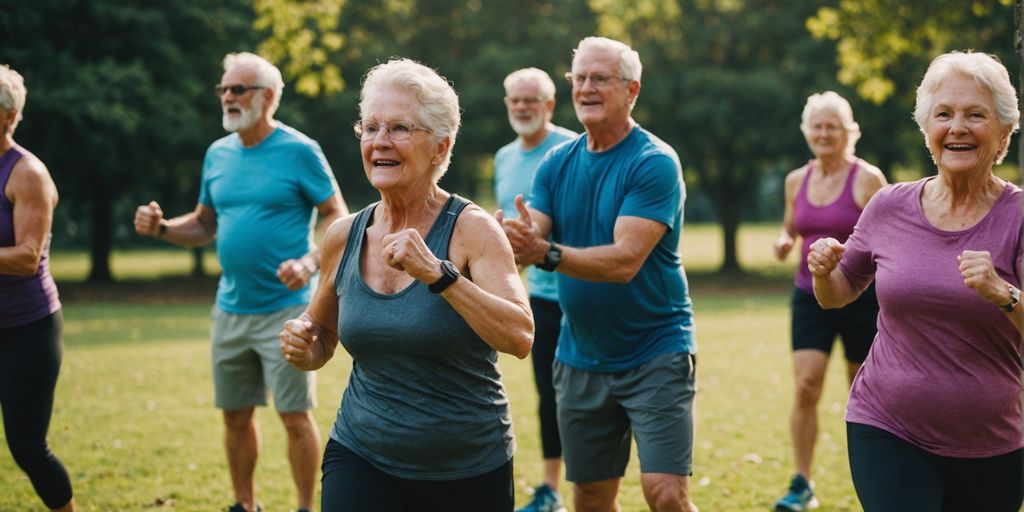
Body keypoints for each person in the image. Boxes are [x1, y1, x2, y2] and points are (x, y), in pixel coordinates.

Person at [278, 58, 534, 512]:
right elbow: (323, 334)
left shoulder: (471, 230)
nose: (379, 141)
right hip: (361, 453)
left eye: (399, 128)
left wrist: (440, 275)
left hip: (468, 466)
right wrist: (305, 342)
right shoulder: (344, 234)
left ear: (440, 147)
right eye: (370, 127)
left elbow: (519, 336)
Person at [808, 51, 1023, 511]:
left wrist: (1004, 294)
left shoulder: (1019, 216)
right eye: (943, 114)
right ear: (928, 129)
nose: (958, 127)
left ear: (1004, 130)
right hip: (886, 425)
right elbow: (839, 293)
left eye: (976, 115)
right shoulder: (889, 206)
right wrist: (824, 273)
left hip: (993, 442)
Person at [133, 52, 347, 512]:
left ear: (268, 97)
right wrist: (164, 228)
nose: (227, 97)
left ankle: (307, 508)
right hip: (229, 307)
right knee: (235, 416)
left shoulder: (300, 150)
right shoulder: (218, 153)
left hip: (287, 308)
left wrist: (310, 263)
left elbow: (338, 215)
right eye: (223, 89)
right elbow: (205, 223)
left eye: (237, 89)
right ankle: (244, 505)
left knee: (294, 417)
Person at [499, 37, 698, 512]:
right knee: (589, 496)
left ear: (632, 90)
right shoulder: (556, 162)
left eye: (599, 79)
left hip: (656, 350)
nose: (585, 88)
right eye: (579, 78)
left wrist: (542, 252)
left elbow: (624, 261)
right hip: (580, 354)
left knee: (665, 493)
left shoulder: (653, 162)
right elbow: (530, 240)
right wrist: (500, 239)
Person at [771, 91, 886, 511]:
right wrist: (784, 242)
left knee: (863, 391)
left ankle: (874, 478)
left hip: (860, 296)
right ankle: (802, 482)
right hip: (809, 294)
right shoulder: (795, 181)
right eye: (816, 126)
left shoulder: (868, 179)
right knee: (805, 386)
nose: (823, 133)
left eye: (831, 126)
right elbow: (791, 227)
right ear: (808, 132)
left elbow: (892, 234)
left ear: (847, 132)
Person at [494, 67, 576, 512]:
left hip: (583, 292)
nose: (522, 107)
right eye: (515, 100)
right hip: (540, 296)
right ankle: (551, 488)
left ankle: (590, 481)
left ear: (549, 104)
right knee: (549, 392)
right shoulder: (504, 157)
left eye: (532, 100)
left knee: (587, 394)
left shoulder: (570, 148)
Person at [0, 64, 74, 512]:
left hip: (26, 330)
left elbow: (28, 258)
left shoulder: (27, 173)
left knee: (27, 447)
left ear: (8, 116)